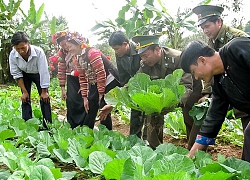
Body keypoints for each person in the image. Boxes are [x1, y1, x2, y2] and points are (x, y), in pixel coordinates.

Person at [180, 38, 250, 162]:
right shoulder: (219, 83)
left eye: (193, 71)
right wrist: (190, 156)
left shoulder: (236, 49)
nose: (196, 77)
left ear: (202, 60)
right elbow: (214, 118)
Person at [192, 4, 250, 133]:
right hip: (230, 90)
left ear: (219, 21)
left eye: (207, 26)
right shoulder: (211, 42)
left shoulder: (236, 38)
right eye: (202, 28)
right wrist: (207, 93)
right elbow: (210, 68)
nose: (205, 31)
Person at [132, 35, 194, 149]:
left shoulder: (178, 58)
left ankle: (195, 148)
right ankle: (154, 148)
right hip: (163, 96)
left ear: (157, 50)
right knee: (152, 110)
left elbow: (187, 85)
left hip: (189, 88)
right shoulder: (145, 64)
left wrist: (175, 102)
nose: (143, 59)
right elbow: (136, 81)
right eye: (141, 56)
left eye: (145, 55)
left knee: (190, 114)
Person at [66, 31, 120, 130]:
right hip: (96, 82)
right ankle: (87, 131)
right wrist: (85, 97)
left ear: (77, 43)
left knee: (103, 107)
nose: (69, 49)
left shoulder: (92, 53)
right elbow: (82, 77)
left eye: (70, 46)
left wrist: (100, 94)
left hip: (109, 80)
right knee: (90, 105)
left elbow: (101, 74)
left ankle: (107, 133)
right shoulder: (77, 58)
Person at [105, 31, 146, 140]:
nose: (116, 52)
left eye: (117, 48)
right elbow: (123, 76)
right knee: (135, 115)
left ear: (125, 44)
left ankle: (149, 143)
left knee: (150, 117)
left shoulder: (140, 49)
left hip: (147, 86)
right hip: (133, 87)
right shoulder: (120, 55)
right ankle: (134, 141)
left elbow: (146, 71)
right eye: (114, 49)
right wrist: (125, 91)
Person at [9, 31, 52, 129]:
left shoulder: (39, 52)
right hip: (24, 75)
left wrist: (44, 91)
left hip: (38, 74)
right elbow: (16, 73)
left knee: (44, 98)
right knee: (25, 98)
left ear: (28, 43)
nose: (20, 51)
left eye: (23, 47)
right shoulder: (13, 54)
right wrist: (24, 91)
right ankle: (28, 125)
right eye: (17, 48)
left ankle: (48, 125)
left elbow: (44, 72)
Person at [51, 30, 87, 129]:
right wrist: (62, 88)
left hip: (84, 77)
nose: (65, 47)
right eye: (62, 45)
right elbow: (61, 69)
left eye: (65, 44)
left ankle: (84, 125)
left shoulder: (80, 48)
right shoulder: (62, 53)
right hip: (71, 78)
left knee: (83, 100)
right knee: (71, 100)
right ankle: (72, 125)